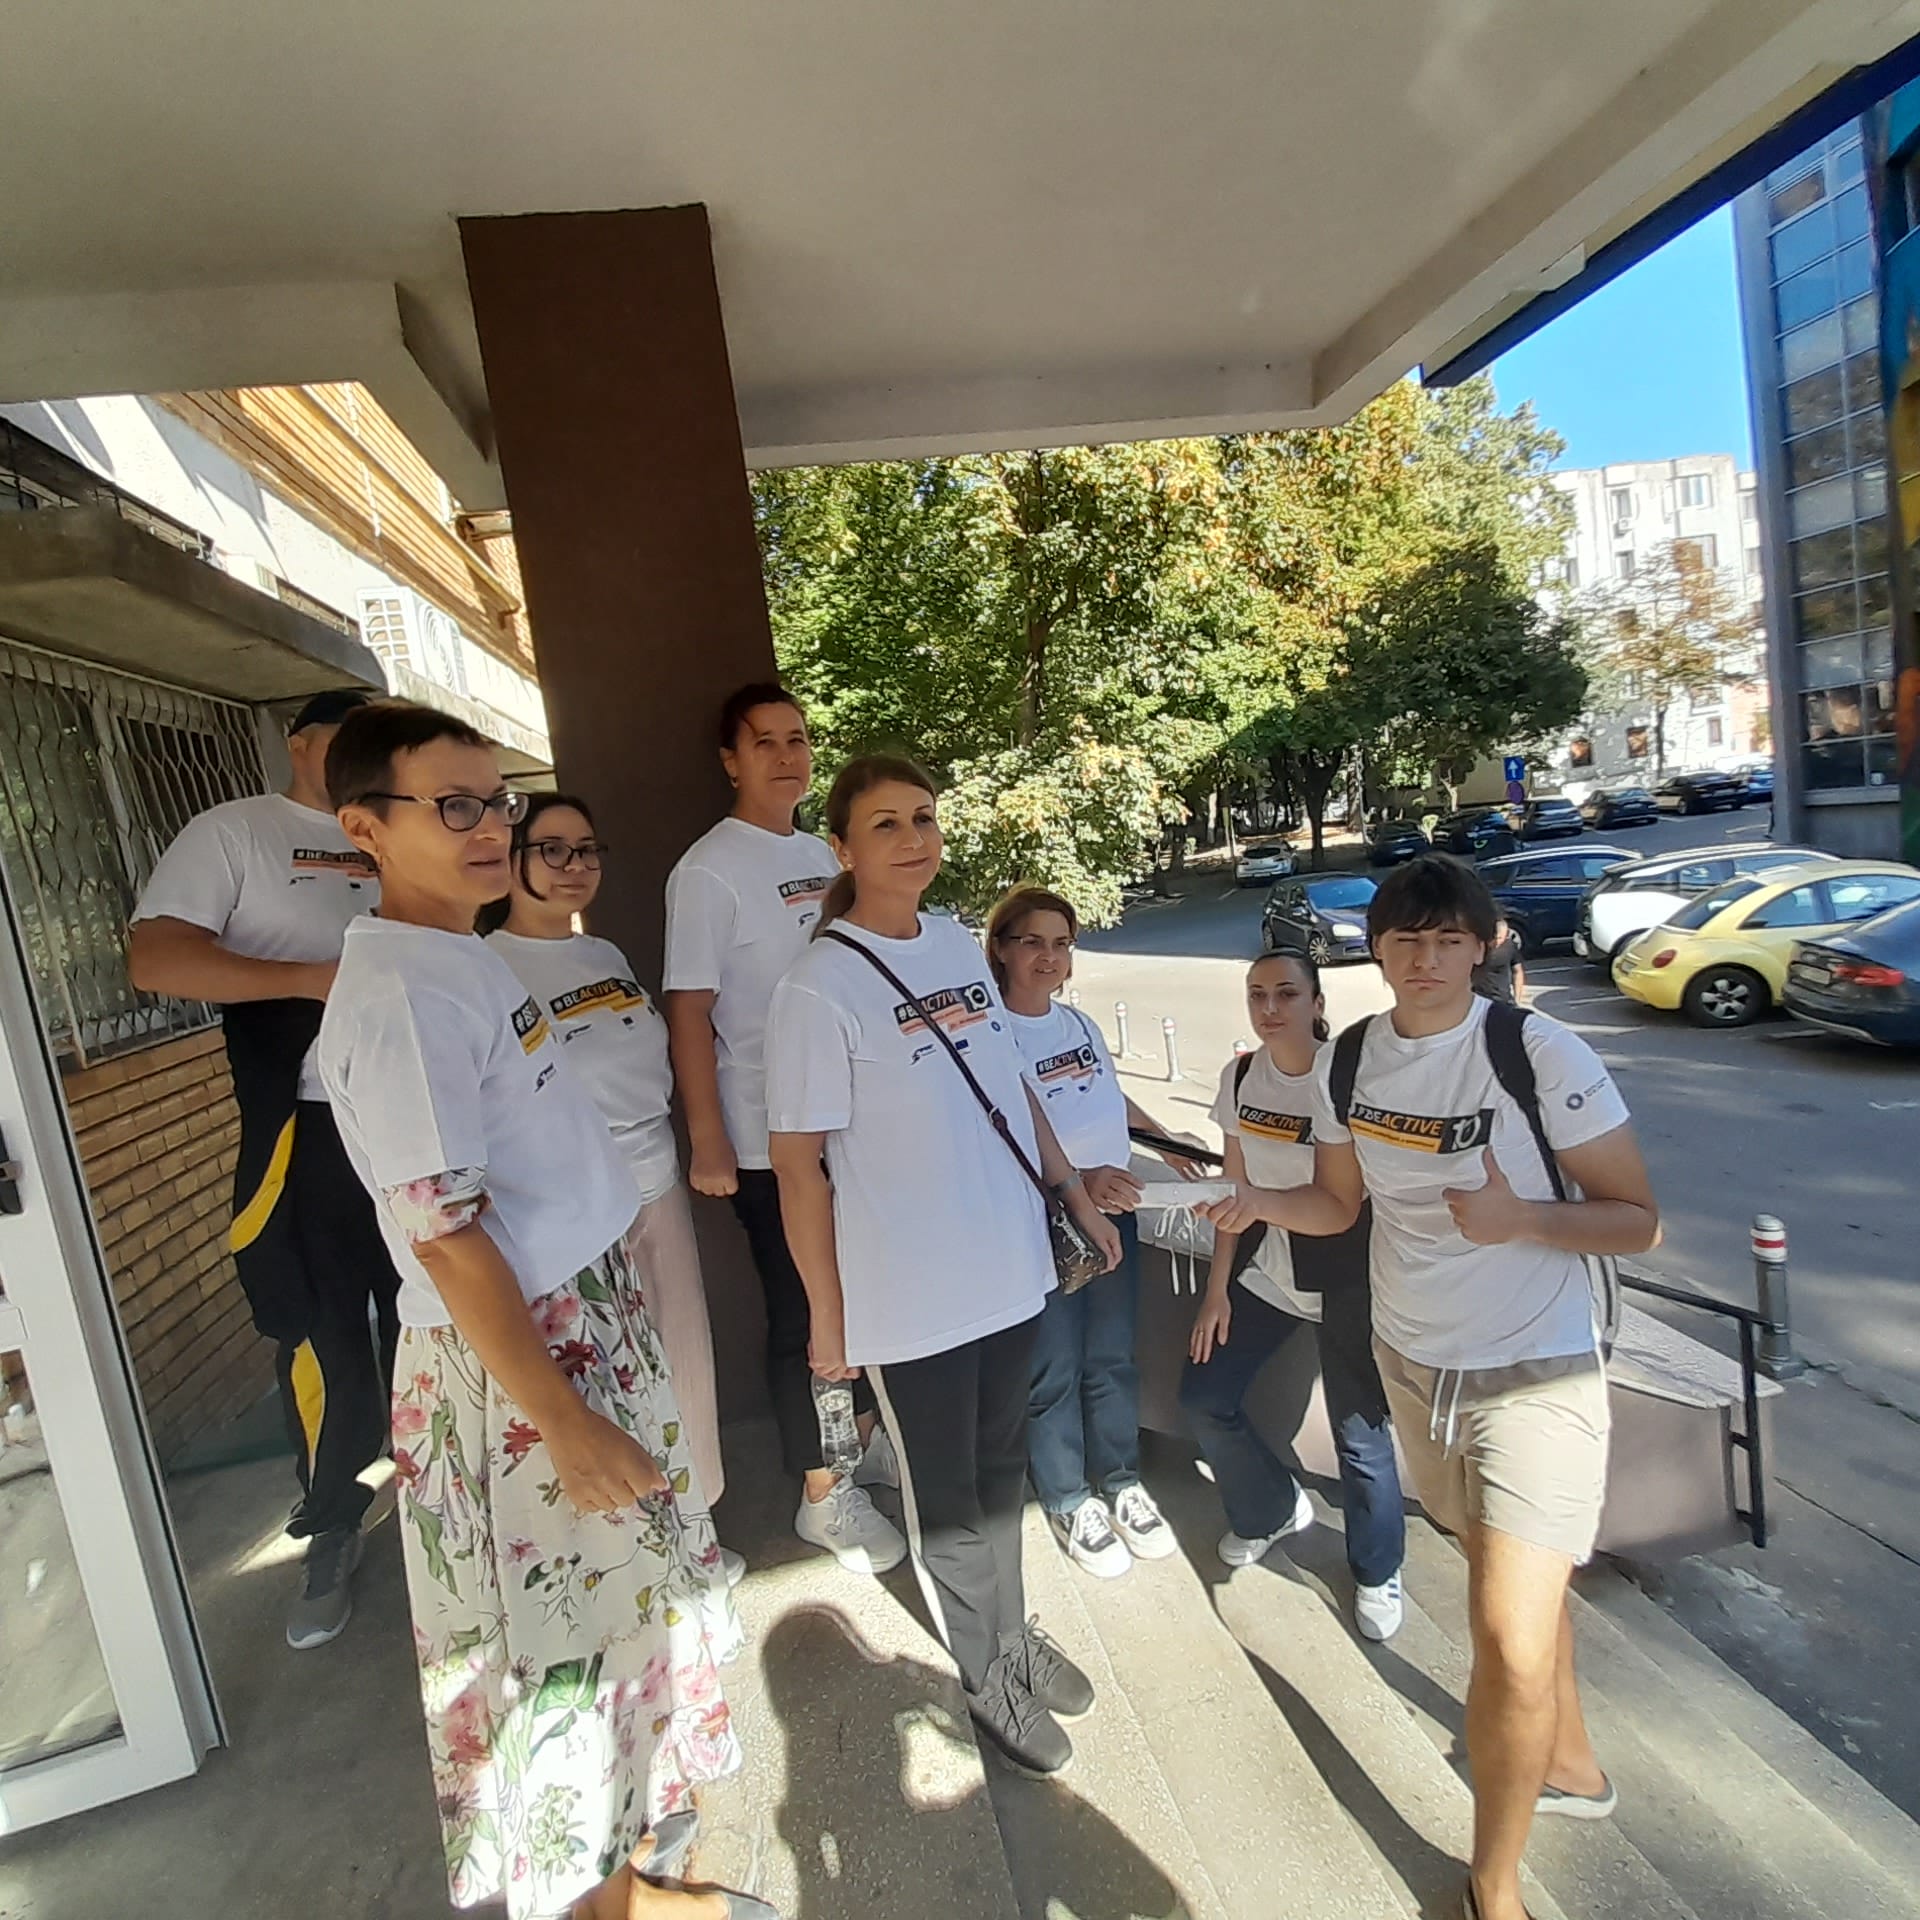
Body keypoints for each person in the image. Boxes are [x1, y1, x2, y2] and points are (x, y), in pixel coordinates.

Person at [316, 700, 763, 1920]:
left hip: (582, 1318)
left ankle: (633, 1878)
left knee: (626, 1627)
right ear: (365, 826)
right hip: (523, 1362)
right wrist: (562, 1419)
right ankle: (600, 1905)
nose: (488, 828)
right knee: (563, 1667)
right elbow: (445, 1234)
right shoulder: (401, 993)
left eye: (496, 801)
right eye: (451, 805)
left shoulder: (459, 953)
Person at [1215, 853, 1659, 1920]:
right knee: (1513, 1594)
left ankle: (1490, 1892)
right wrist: (1252, 1201)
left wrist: (1525, 1219)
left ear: (1482, 945)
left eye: (1448, 939)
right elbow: (1337, 1206)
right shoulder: (1351, 1061)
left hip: (1536, 1370)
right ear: (1374, 950)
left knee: (1503, 1636)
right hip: (1411, 1363)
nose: (1426, 959)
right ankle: (1569, 1760)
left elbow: (1638, 1220)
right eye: (1406, 940)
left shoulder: (1535, 1052)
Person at [765, 756, 1122, 1778]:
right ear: (842, 847)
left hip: (1007, 1265)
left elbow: (1012, 1091)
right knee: (951, 1500)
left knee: (1003, 1474)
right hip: (910, 1293)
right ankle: (984, 1672)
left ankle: (1012, 1633)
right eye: (885, 824)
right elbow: (797, 1169)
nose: (913, 838)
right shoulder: (817, 986)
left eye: (923, 817)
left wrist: (1074, 1195)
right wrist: (827, 1318)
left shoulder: (960, 942)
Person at [128, 686, 399, 1650]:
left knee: (442, 1322)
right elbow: (156, 959)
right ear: (299, 742)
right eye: (347, 737)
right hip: (309, 1131)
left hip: (417, 1119)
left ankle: (459, 1497)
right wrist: (309, 981)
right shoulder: (237, 832)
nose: (365, 752)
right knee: (325, 1338)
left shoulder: (402, 829)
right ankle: (331, 1524)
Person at [664, 683, 904, 1575]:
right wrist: (708, 1138)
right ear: (731, 760)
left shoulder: (820, 851)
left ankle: (860, 1444)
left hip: (850, 1120)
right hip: (767, 1135)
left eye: (797, 738)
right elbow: (689, 1011)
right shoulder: (708, 870)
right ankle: (822, 1493)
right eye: (763, 742)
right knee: (803, 1308)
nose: (785, 755)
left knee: (859, 1294)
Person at [484, 791, 741, 1584]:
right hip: (569, 1210)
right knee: (605, 1379)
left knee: (681, 1360)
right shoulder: (488, 967)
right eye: (553, 850)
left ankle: (695, 1532)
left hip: (654, 1186)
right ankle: (633, 1559)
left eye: (587, 850)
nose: (575, 867)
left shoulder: (605, 956)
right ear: (512, 860)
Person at [1180, 951, 1406, 1639]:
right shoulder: (1241, 1075)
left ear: (1316, 1003)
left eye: (1286, 993)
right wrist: (1217, 1291)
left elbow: (1354, 1197)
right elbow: (1235, 1189)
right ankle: (1270, 1509)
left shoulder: (1347, 1079)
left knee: (1360, 1436)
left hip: (1347, 1274)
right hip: (1267, 1270)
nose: (1270, 1008)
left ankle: (1377, 1570)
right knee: (1204, 1396)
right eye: (1257, 995)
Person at [986, 885, 1196, 1579]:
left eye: (1061, 943)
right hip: (1043, 1224)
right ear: (1002, 949)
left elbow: (1109, 1096)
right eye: (1032, 942)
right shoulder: (989, 1034)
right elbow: (1001, 1133)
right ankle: (1069, 1498)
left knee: (1111, 1358)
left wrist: (1168, 1143)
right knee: (1053, 1369)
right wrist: (1078, 1182)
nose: (1049, 957)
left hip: (1113, 1218)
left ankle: (1121, 1482)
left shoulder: (1077, 1025)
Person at [1472, 917, 1526, 1005]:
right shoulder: (1475, 948)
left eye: (1500, 938)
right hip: (1479, 998)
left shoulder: (1510, 947)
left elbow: (1518, 971)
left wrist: (1517, 999)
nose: (1497, 942)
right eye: (1494, 938)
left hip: (1502, 999)